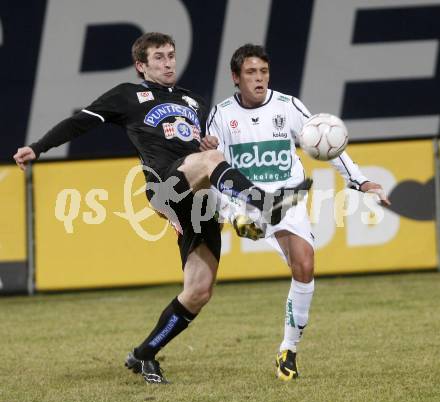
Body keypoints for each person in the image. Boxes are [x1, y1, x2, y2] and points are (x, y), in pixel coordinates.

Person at [13, 33, 312, 384]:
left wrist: (209, 141)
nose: (168, 62)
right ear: (142, 65)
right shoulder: (127, 95)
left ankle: (144, 354)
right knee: (211, 162)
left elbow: (213, 154)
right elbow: (80, 121)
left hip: (198, 202)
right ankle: (262, 203)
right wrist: (38, 147)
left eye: (171, 55)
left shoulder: (196, 102)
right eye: (158, 57)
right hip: (166, 185)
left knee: (199, 291)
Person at [200, 44, 391, 381]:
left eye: (263, 72)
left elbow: (329, 143)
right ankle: (243, 221)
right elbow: (214, 167)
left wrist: (360, 181)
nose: (259, 79)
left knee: (304, 265)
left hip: (287, 197)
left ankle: (288, 350)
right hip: (247, 197)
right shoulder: (221, 114)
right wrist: (227, 205)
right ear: (235, 77)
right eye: (250, 73)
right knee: (228, 193)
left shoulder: (288, 107)